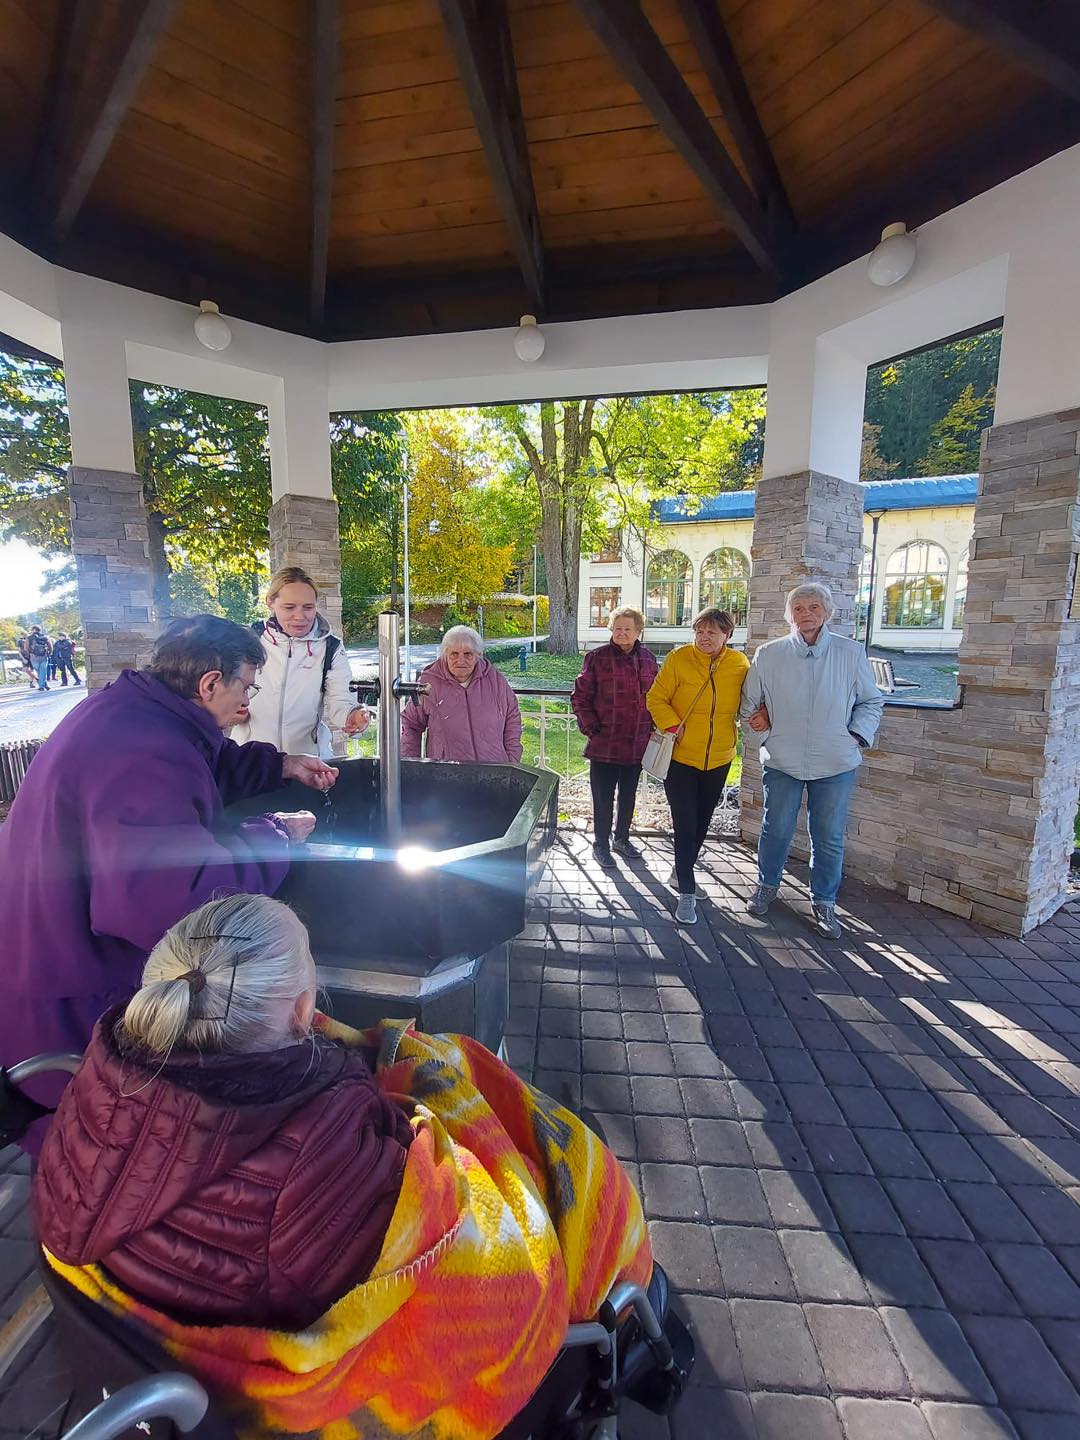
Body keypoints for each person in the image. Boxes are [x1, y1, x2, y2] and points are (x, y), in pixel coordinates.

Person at [34, 895, 652, 1439]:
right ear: (303, 1012)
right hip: (279, 1388)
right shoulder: (331, 1167)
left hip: (147, 1365)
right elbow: (493, 1286)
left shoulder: (91, 1101)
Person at [0, 614, 336, 1149]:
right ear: (210, 683)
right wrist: (274, 835)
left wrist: (281, 766)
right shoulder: (140, 751)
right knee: (95, 1148)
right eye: (246, 687)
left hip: (46, 956)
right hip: (72, 988)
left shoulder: (135, 714)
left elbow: (200, 762)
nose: (246, 701)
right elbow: (179, 898)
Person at [740, 581, 883, 939]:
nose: (806, 614)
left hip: (835, 762)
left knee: (828, 835)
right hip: (783, 759)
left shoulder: (851, 652)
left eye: (814, 607)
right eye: (799, 608)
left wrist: (855, 736)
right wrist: (764, 734)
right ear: (789, 615)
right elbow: (748, 705)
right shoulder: (769, 654)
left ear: (828, 612)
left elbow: (870, 701)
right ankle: (766, 885)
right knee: (775, 829)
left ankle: (824, 901)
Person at [646, 608, 749, 926]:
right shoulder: (679, 658)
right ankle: (687, 892)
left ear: (727, 635)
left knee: (703, 822)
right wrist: (672, 725)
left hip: (720, 757)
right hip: (681, 758)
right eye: (700, 631)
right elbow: (656, 698)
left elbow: (751, 701)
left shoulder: (739, 664)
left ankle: (680, 873)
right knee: (685, 824)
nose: (704, 637)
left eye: (712, 632)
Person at [230, 566, 369, 758]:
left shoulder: (331, 647)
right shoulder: (248, 639)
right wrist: (229, 710)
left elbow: (341, 699)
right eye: (289, 607)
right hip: (250, 760)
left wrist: (352, 716)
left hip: (308, 761)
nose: (300, 616)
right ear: (270, 603)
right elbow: (222, 692)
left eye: (308, 607)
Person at [571, 606, 658, 868]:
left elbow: (657, 697)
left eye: (627, 629)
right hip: (604, 743)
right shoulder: (597, 657)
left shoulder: (648, 659)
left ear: (638, 631)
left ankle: (622, 838)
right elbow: (580, 697)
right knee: (603, 797)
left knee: (628, 796)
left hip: (637, 743)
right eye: (617, 628)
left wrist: (653, 727)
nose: (622, 633)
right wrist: (591, 728)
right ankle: (600, 844)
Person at [402, 624, 523, 763]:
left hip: (494, 770)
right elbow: (410, 724)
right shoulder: (429, 683)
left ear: (478, 655)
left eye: (468, 654)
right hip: (447, 772)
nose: (460, 660)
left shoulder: (495, 680)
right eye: (454, 654)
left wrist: (511, 760)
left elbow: (512, 717)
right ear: (445, 655)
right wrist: (411, 764)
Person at [26, 624, 51, 690]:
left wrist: (29, 654)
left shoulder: (29, 637)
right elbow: (50, 646)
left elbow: (26, 648)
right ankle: (45, 684)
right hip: (44, 656)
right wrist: (49, 653)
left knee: (39, 672)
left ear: (33, 630)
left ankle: (41, 686)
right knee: (43, 671)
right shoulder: (45, 637)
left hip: (34, 657)